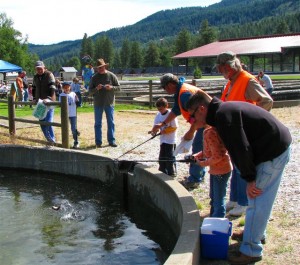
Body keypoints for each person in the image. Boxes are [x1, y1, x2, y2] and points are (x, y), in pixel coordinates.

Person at [186, 91, 291, 265]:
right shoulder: (222, 113)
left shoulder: (223, 116)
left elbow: (241, 149)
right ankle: (253, 232)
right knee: (257, 200)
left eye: (192, 115)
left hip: (273, 152)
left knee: (257, 199)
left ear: (202, 109)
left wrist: (250, 179)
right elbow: (230, 146)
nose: (191, 120)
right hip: (273, 147)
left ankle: (251, 250)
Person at [216, 51, 273, 216]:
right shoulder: (231, 81)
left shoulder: (247, 81)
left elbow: (267, 101)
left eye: (220, 69)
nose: (219, 72)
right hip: (234, 131)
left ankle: (243, 202)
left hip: (244, 131)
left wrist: (253, 122)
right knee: (236, 166)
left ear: (228, 67)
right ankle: (235, 199)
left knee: (243, 167)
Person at [152, 73, 206, 190]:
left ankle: (195, 179)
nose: (164, 90)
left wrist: (191, 131)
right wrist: (163, 124)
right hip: (203, 123)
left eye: (164, 87)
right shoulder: (180, 92)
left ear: (171, 84)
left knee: (198, 149)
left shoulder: (184, 94)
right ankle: (200, 174)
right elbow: (176, 110)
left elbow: (199, 115)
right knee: (203, 149)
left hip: (206, 123)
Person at [193, 124, 232, 218]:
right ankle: (213, 218)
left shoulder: (211, 133)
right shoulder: (209, 131)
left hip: (221, 171)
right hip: (216, 170)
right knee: (214, 196)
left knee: (218, 199)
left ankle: (217, 222)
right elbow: (209, 151)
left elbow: (217, 156)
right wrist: (197, 156)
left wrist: (203, 163)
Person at [89, 58, 120, 148]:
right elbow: (90, 91)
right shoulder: (94, 78)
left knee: (111, 123)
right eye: (98, 68)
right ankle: (98, 142)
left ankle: (111, 141)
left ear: (105, 66)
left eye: (101, 67)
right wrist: (96, 89)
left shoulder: (112, 76)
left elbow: (118, 88)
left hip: (109, 103)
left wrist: (111, 87)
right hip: (98, 104)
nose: (100, 69)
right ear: (96, 68)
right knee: (98, 123)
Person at [148, 97, 178, 177]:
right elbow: (156, 126)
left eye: (161, 109)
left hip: (170, 141)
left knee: (170, 157)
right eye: (158, 109)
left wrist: (164, 131)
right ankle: (162, 171)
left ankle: (171, 172)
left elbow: (174, 127)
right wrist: (153, 131)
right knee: (161, 157)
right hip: (163, 140)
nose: (160, 111)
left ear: (166, 106)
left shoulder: (171, 114)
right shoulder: (158, 115)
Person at [32, 60, 56, 144]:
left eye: (40, 68)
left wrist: (49, 98)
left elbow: (52, 87)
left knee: (48, 122)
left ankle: (52, 140)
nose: (39, 70)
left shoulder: (49, 74)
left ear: (44, 68)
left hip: (48, 102)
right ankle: (48, 140)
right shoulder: (35, 77)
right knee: (42, 123)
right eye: (37, 69)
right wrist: (34, 98)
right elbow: (34, 88)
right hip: (40, 103)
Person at [60, 81, 80, 149]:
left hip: (73, 114)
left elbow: (78, 101)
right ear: (63, 88)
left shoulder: (73, 94)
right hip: (65, 115)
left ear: (70, 87)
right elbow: (60, 104)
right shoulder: (61, 95)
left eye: (68, 87)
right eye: (65, 87)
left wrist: (77, 101)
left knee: (73, 129)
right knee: (65, 129)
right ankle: (65, 143)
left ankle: (76, 142)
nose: (66, 88)